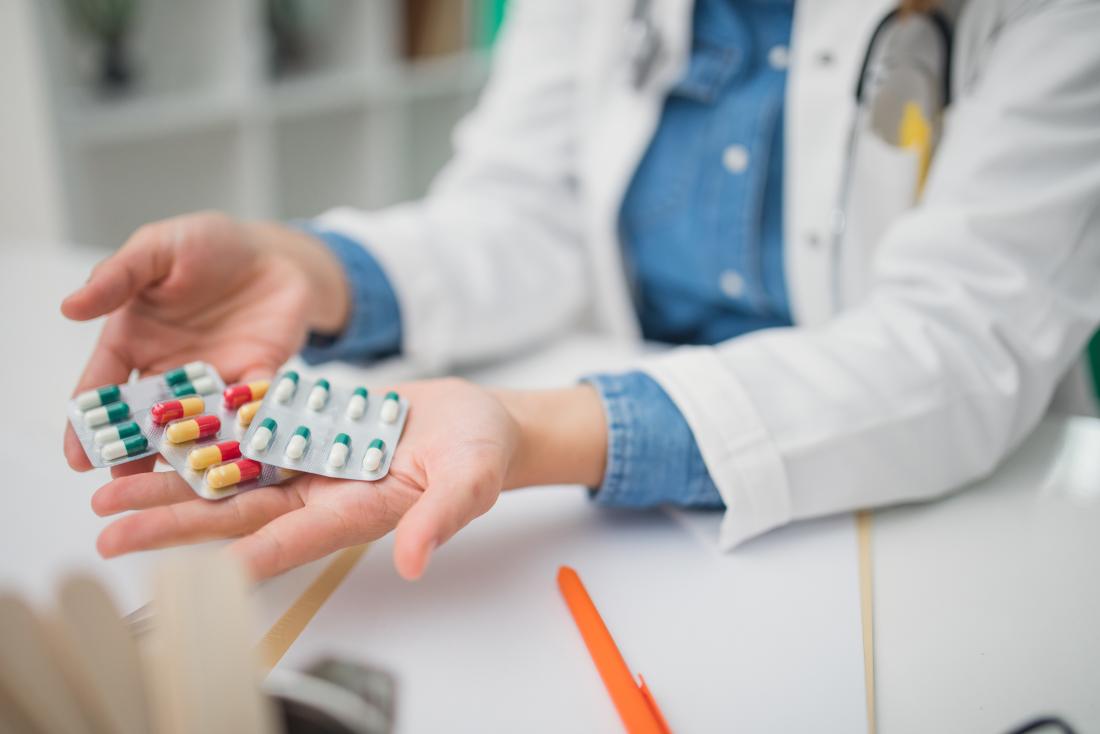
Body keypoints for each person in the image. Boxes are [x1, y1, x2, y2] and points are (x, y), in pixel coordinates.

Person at [62, 0, 1100, 581]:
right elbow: (523, 211)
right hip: (637, 535)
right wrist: (311, 270)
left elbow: (961, 339)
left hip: (957, 531)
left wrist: (536, 426)